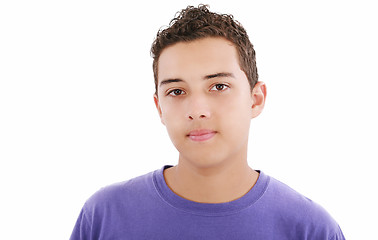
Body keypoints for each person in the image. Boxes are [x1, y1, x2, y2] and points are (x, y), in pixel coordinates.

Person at [70, 5, 345, 239]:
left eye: (218, 86)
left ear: (256, 98)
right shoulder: (104, 216)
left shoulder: (310, 229)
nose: (197, 110)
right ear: (159, 108)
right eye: (177, 91)